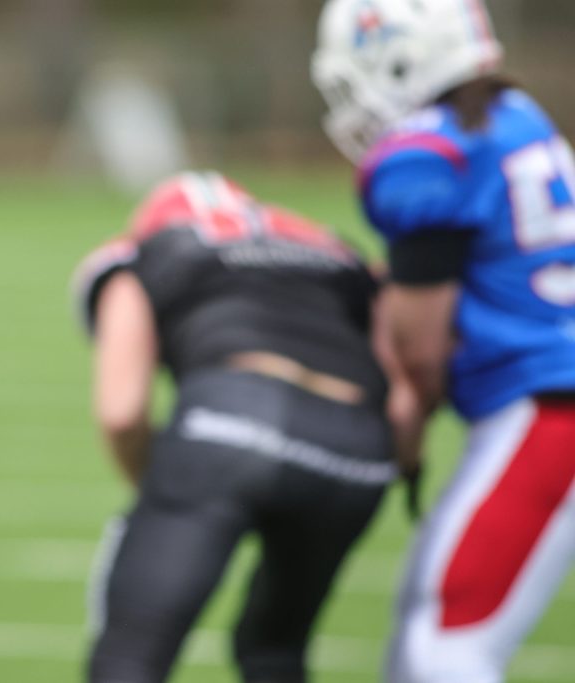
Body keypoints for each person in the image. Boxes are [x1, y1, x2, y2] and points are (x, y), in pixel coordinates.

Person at [312, 1, 575, 681]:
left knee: (444, 644)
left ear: (403, 58)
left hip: (547, 409)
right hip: (548, 396)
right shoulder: (517, 117)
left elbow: (422, 350)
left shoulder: (424, 155)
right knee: (424, 627)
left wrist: (407, 418)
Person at [72, 171, 415, 683]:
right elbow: (403, 393)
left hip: (232, 419)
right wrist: (399, 464)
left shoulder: (141, 254)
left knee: (132, 654)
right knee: (274, 651)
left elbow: (121, 412)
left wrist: (160, 488)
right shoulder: (333, 250)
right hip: (356, 450)